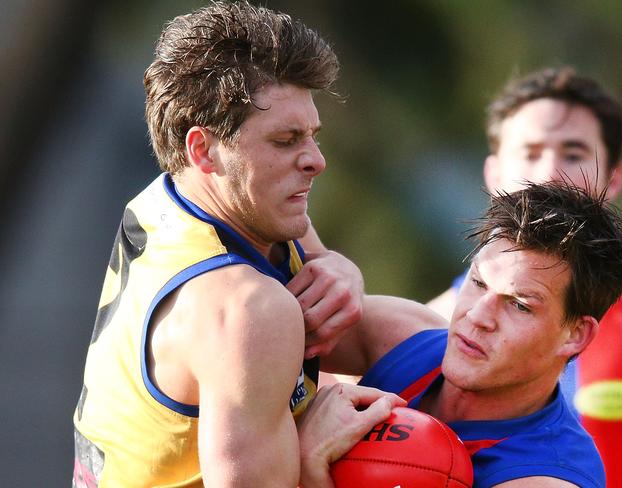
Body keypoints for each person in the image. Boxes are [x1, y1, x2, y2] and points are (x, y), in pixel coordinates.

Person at [71, 3, 400, 487]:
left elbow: (337, 309)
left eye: (312, 135)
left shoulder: (172, 198)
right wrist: (311, 460)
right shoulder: (247, 308)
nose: (315, 161)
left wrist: (338, 267)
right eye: (286, 141)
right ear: (203, 150)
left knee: (404, 329)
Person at [300, 181, 622, 487]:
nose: (477, 315)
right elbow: (255, 301)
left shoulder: (543, 478)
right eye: (479, 282)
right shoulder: (399, 336)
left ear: (576, 334)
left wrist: (310, 470)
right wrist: (327, 263)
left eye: (519, 305)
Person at [427, 67, 622, 488]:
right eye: (529, 153)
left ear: (614, 177)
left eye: (573, 153)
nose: (549, 172)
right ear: (493, 175)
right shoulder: (433, 324)